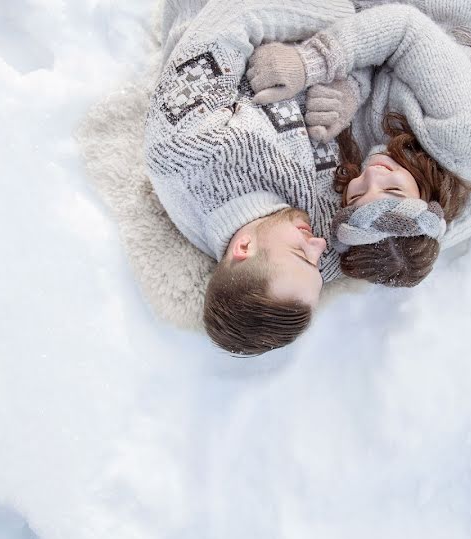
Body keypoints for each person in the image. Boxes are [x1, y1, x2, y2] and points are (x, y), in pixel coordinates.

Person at [248, 0, 471, 286]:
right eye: (393, 189)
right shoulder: (466, 137)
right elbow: (404, 30)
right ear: (429, 204)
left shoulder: (387, 192)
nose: (372, 174)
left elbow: (445, 230)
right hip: (465, 19)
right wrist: (308, 63)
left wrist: (352, 90)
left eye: (355, 196)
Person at [144, 0, 358, 355]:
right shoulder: (315, 251)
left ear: (243, 248)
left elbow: (236, 15)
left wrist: (343, 27)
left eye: (302, 254)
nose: (319, 246)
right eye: (317, 265)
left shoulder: (182, 148)